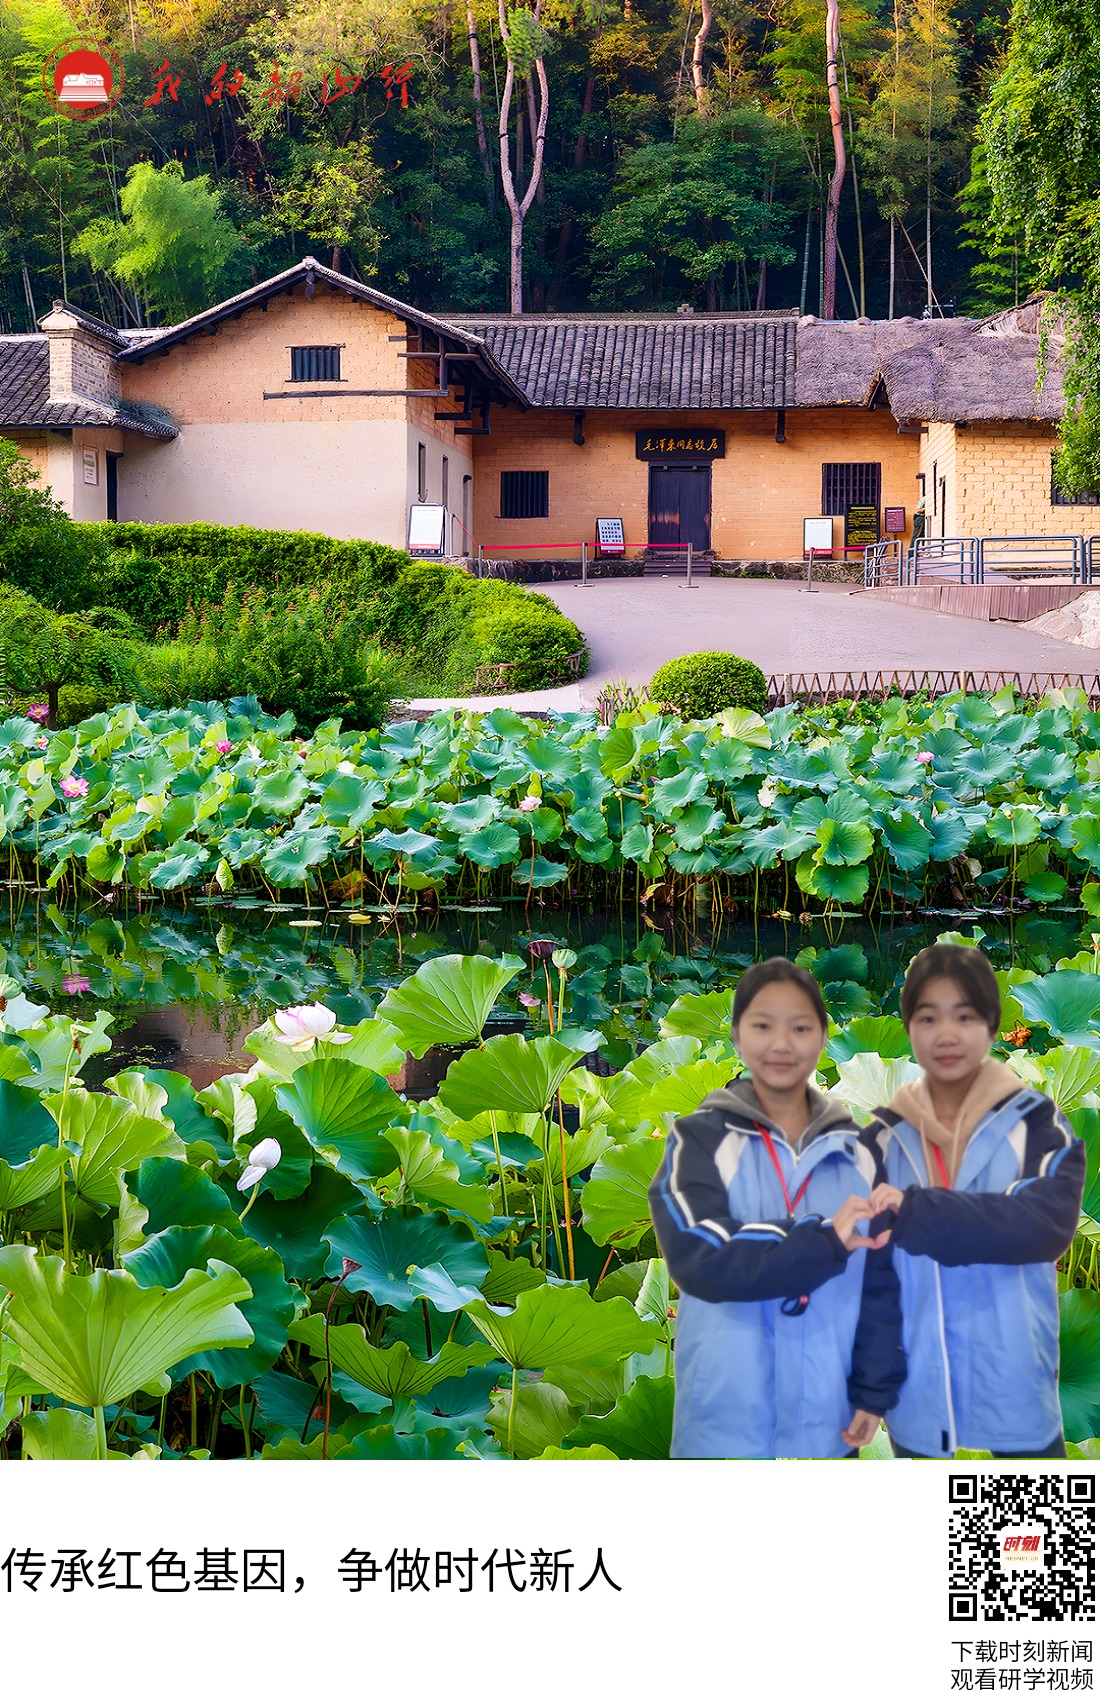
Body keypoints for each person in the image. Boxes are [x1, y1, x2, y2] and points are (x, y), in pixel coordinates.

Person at [648, 957, 905, 1459]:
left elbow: (880, 1286)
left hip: (829, 1418)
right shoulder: (698, 1143)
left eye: (800, 1027)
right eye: (763, 1026)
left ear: (822, 1039)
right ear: (739, 1038)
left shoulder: (860, 1156)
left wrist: (874, 1389)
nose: (782, 1044)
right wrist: (823, 1242)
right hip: (726, 1417)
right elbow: (702, 1259)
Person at [866, 943, 1086, 1458]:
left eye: (963, 1016)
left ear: (990, 1024)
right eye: (928, 1017)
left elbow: (1040, 1227)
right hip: (917, 1390)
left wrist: (917, 1210)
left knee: (1028, 1511)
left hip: (1012, 1380)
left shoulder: (1039, 1126)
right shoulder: (883, 1136)